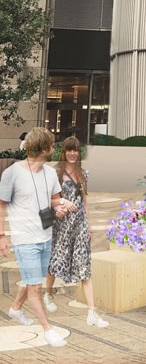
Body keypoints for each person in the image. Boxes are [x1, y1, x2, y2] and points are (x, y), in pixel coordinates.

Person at [0, 128, 74, 347]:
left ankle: (15, 309)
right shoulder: (12, 173)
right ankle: (48, 330)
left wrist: (62, 205)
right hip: (25, 239)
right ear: (44, 148)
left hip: (46, 235)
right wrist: (1, 235)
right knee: (35, 287)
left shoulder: (50, 174)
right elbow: (2, 205)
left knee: (34, 280)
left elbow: (52, 201)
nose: (54, 148)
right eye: (52, 145)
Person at [44, 137, 109, 328]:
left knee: (84, 267)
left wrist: (88, 226)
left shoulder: (83, 174)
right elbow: (46, 199)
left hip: (79, 225)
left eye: (76, 150)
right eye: (69, 150)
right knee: (55, 262)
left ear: (79, 153)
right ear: (63, 152)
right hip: (61, 225)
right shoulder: (54, 174)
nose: (72, 153)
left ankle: (91, 313)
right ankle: (48, 293)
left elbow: (85, 202)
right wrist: (62, 203)